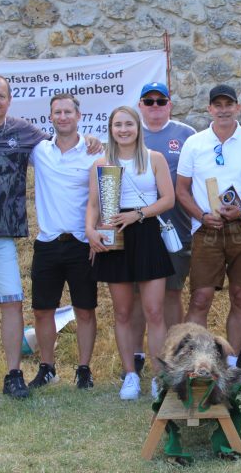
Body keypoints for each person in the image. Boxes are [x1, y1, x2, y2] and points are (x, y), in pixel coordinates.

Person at [0, 74, 100, 399]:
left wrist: (93, 142)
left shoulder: (26, 133)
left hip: (9, 234)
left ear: (9, 100)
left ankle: (20, 373)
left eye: (0, 95)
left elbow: (72, 150)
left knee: (17, 304)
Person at [175, 84, 241, 378]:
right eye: (217, 105)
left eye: (228, 104)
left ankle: (231, 366)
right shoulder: (195, 143)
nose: (223, 109)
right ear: (209, 109)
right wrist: (202, 215)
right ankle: (195, 364)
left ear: (238, 108)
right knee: (201, 297)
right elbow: (181, 190)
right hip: (207, 228)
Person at [86, 105, 175, 401]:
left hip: (146, 233)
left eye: (128, 124)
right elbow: (94, 206)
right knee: (123, 312)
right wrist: (90, 231)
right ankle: (130, 375)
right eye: (117, 125)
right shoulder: (101, 163)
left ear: (138, 128)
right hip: (114, 237)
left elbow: (168, 200)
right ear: (110, 129)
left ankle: (160, 377)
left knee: (154, 312)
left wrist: (138, 214)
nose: (123, 130)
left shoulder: (154, 159)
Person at [27, 93, 102, 391]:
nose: (62, 117)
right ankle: (48, 368)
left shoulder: (94, 152)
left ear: (78, 116)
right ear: (50, 117)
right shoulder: (39, 151)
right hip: (47, 242)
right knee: (42, 310)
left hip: (81, 243)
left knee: (85, 309)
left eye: (68, 112)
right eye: (57, 112)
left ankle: (84, 369)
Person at [127, 82, 196, 378]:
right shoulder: (128, 134)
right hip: (136, 231)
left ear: (170, 104)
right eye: (149, 101)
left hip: (175, 229)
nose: (155, 106)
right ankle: (137, 357)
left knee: (171, 293)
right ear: (140, 105)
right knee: (136, 298)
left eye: (160, 101)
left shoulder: (186, 135)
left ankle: (173, 355)